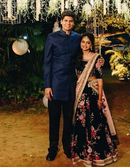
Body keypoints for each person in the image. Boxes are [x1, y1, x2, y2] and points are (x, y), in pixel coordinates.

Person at [71, 33, 118, 167]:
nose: (84, 45)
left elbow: (100, 79)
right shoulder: (77, 57)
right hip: (79, 93)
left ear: (91, 44)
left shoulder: (96, 58)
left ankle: (98, 155)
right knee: (80, 122)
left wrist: (99, 99)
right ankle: (82, 153)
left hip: (92, 92)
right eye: (83, 42)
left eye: (87, 42)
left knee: (95, 122)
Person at [43, 10, 81, 161]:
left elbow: (84, 54)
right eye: (66, 21)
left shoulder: (77, 38)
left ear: (73, 23)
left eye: (71, 21)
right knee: (54, 118)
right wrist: (47, 85)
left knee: (68, 118)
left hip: (71, 84)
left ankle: (67, 146)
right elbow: (47, 63)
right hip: (55, 84)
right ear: (61, 22)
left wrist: (97, 60)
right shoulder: (52, 37)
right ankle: (52, 148)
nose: (68, 23)